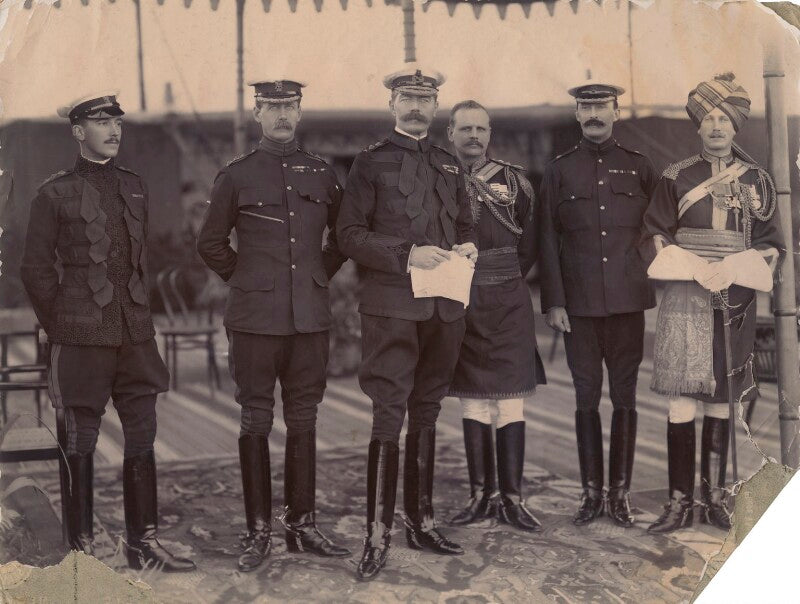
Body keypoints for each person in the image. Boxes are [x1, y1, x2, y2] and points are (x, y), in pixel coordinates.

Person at [20, 92, 195, 572]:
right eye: (101, 122)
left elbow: (138, 261)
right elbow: (35, 269)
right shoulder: (53, 193)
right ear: (78, 132)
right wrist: (62, 324)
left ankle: (144, 543)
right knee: (81, 439)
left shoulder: (134, 187)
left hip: (135, 335)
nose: (113, 131)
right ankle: (80, 551)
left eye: (116, 122)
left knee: (143, 435)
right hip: (80, 338)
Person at [196, 78, 350, 572]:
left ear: (300, 112)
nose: (282, 116)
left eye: (290, 107)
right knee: (256, 420)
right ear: (257, 113)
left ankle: (302, 525)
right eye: (271, 107)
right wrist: (246, 280)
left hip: (309, 319)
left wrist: (315, 277)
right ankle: (258, 530)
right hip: (254, 321)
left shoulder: (323, 174)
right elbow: (211, 242)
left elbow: (343, 236)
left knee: (304, 420)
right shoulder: (236, 176)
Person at [336, 65, 478, 581]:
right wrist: (406, 253)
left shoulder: (448, 163)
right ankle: (377, 534)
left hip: (444, 306)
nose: (416, 106)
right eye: (407, 98)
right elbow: (349, 234)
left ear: (437, 106)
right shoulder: (369, 165)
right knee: (388, 414)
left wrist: (468, 244)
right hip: (392, 306)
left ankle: (422, 521)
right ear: (391, 105)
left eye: (425, 98)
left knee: (428, 409)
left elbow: (465, 222)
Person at [643, 73, 782, 534]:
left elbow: (770, 242)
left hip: (735, 295)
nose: (717, 126)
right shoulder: (676, 176)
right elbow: (655, 233)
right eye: (709, 118)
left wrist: (736, 266)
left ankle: (716, 498)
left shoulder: (759, 182)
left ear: (736, 126)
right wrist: (689, 264)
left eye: (725, 118)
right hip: (687, 291)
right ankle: (679, 501)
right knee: (682, 396)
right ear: (698, 126)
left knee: (722, 397)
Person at [538, 80, 658, 527]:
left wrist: (641, 266)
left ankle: (620, 494)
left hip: (628, 305)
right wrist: (554, 302)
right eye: (586, 107)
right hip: (580, 309)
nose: (594, 114)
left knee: (625, 397)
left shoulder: (639, 166)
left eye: (602, 106)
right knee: (586, 398)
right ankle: (591, 494)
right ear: (576, 114)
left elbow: (658, 224)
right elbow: (547, 238)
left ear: (615, 112)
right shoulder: (559, 170)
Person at [445, 100, 546, 532]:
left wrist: (502, 275)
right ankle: (479, 495)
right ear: (450, 132)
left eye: (481, 129)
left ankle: (512, 498)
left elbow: (532, 242)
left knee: (510, 400)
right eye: (465, 128)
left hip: (507, 299)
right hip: (456, 297)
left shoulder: (516, 181)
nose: (473, 136)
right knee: (471, 398)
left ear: (490, 133)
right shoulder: (437, 177)